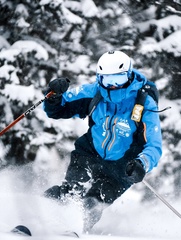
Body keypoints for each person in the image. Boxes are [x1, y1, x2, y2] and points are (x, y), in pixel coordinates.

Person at [43, 50, 162, 232]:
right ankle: (41, 218)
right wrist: (54, 96)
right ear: (100, 78)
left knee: (92, 203)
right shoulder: (95, 92)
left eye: (118, 80)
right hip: (90, 152)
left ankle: (73, 229)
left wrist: (141, 163)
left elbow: (153, 145)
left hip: (121, 167)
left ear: (129, 76)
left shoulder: (143, 103)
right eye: (107, 81)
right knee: (71, 192)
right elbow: (59, 109)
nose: (112, 87)